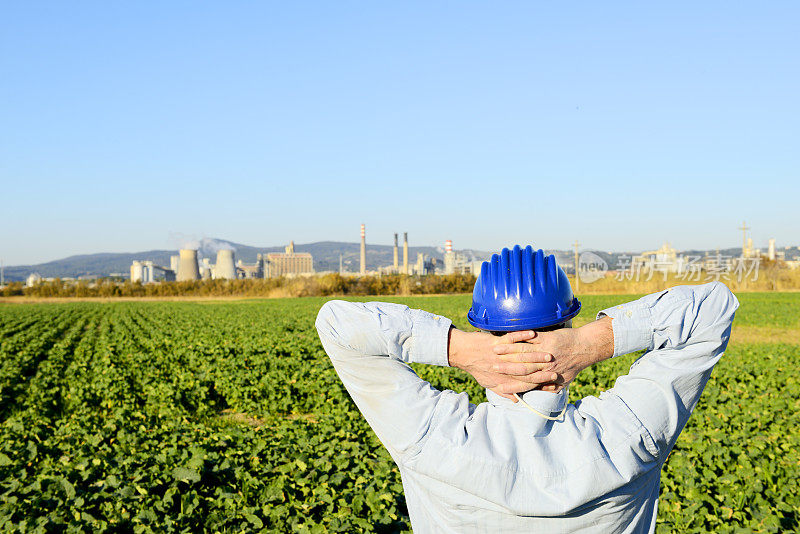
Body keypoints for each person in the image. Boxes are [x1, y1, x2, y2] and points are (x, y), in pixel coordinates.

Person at [315, 245, 738, 533]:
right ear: (567, 325)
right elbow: (712, 309)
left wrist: (457, 348)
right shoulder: (629, 434)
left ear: (485, 331)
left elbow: (338, 325)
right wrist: (591, 344)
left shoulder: (431, 437)